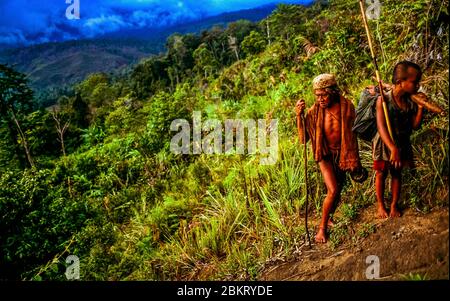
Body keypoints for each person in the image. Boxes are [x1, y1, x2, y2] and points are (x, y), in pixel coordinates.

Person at [295, 74, 363, 243]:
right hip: (324, 154)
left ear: (332, 92)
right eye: (317, 96)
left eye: (324, 95)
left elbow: (355, 130)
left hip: (342, 154)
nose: (320, 99)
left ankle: (330, 217)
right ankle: (322, 228)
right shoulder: (313, 112)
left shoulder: (346, 107)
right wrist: (298, 116)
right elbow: (304, 139)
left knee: (338, 189)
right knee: (332, 190)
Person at [371, 61, 424, 218]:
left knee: (397, 173)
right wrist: (392, 148)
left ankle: (394, 205)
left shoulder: (410, 102)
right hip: (384, 142)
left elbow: (414, 126)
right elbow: (381, 127)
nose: (417, 85)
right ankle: (380, 205)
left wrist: (421, 107)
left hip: (402, 142)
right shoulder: (383, 101)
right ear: (400, 82)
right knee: (381, 173)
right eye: (414, 82)